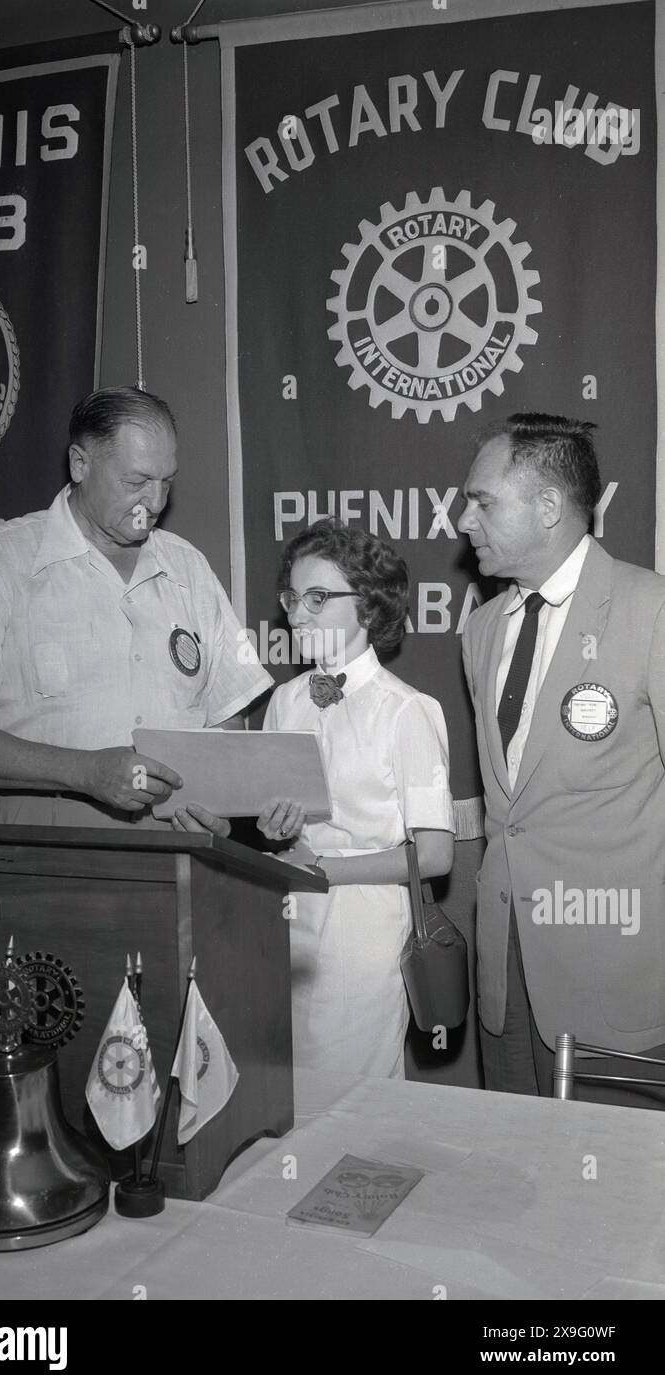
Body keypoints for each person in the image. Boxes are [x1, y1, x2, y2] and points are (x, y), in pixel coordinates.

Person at [0, 386, 272, 832]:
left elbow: (227, 721)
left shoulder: (189, 568)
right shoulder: (2, 560)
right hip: (43, 849)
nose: (155, 503)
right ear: (80, 464)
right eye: (136, 482)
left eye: (166, 482)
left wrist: (214, 807)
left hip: (174, 851)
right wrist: (84, 772)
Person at [459, 412, 665, 1104]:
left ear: (547, 506)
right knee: (510, 1161)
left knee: (609, 1170)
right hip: (506, 975)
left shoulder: (652, 611)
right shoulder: (481, 629)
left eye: (482, 501)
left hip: (616, 975)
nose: (463, 520)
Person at [257, 520, 455, 1078]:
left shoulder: (407, 710)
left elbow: (435, 856)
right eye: (292, 598)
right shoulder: (284, 701)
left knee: (352, 1100)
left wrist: (325, 870)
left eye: (318, 598)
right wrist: (275, 829)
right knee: (288, 1092)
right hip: (289, 922)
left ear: (368, 607)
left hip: (363, 928)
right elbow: (277, 828)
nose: (298, 615)